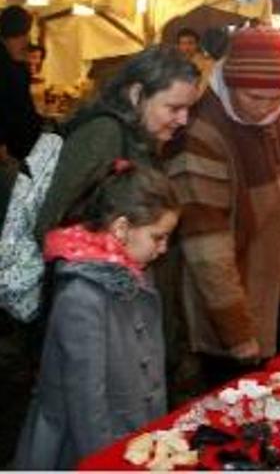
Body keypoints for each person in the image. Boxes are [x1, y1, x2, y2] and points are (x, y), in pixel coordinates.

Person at [167, 27, 280, 387]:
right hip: (229, 303)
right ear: (231, 80)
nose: (267, 108)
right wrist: (236, 330)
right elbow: (206, 247)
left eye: (276, 98)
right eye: (255, 97)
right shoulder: (201, 131)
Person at [14, 163, 180, 469]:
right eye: (158, 237)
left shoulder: (137, 273)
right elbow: (86, 405)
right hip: (83, 452)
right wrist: (108, 463)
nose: (164, 248)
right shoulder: (81, 297)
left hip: (132, 441)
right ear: (121, 229)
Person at [34, 45, 199, 242]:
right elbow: (48, 221)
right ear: (137, 95)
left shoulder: (141, 135)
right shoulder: (103, 134)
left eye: (188, 109)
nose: (183, 119)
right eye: (174, 108)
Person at [0, 5, 42, 162]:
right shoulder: (3, 63)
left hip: (24, 140)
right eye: (19, 35)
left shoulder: (15, 60)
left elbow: (23, 100)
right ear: (6, 36)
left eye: (26, 33)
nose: (25, 40)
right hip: (11, 145)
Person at [175, 27, 213, 96]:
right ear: (178, 46)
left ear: (197, 44)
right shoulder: (172, 62)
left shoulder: (206, 63)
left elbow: (202, 88)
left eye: (190, 43)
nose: (186, 48)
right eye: (183, 43)